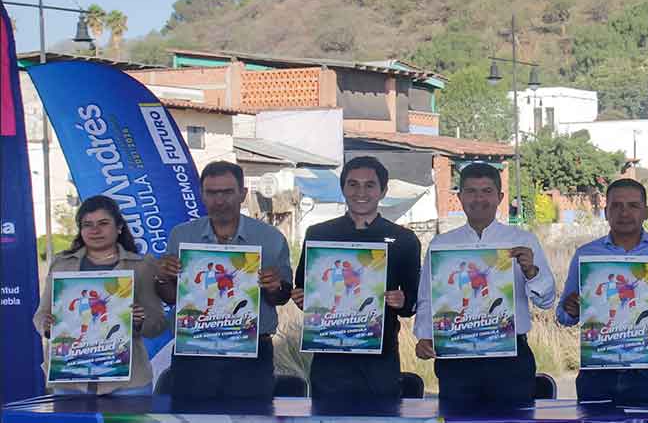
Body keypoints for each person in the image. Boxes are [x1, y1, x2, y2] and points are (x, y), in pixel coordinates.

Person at [414, 162, 556, 403]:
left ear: (500, 197)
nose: (479, 198)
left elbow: (547, 301)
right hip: (456, 356)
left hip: (510, 359)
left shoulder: (522, 240)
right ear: (459, 197)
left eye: (487, 191)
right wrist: (424, 337)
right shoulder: (441, 245)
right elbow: (428, 297)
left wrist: (531, 271)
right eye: (471, 191)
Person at [155, 161, 292, 400]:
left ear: (243, 193)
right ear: (202, 195)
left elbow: (281, 297)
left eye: (228, 192)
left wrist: (275, 286)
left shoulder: (270, 238)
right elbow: (169, 295)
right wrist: (162, 277)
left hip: (251, 354)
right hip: (195, 351)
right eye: (212, 193)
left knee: (249, 418)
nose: (220, 200)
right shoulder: (181, 235)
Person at [557, 178, 648, 401]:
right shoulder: (586, 255)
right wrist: (571, 310)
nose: (624, 212)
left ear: (646, 212)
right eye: (616, 206)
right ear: (606, 212)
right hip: (596, 370)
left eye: (633, 205)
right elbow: (563, 315)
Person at [291, 156, 421, 399]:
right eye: (353, 184)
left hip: (380, 359)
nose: (360, 192)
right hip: (329, 356)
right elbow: (303, 288)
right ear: (343, 188)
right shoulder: (319, 234)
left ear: (383, 191)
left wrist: (402, 300)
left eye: (369, 185)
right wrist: (300, 297)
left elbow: (413, 301)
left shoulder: (403, 239)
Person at [34, 195, 167, 395]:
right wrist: (46, 325)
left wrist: (139, 321)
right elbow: (40, 314)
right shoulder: (62, 264)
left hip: (127, 383)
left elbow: (157, 324)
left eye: (103, 223)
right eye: (87, 224)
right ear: (80, 229)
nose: (95, 230)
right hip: (70, 380)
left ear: (119, 227)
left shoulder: (142, 266)